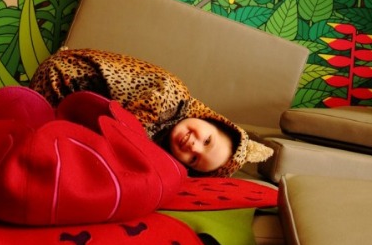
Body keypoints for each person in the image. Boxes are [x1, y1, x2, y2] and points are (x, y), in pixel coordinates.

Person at [29, 47, 275, 177]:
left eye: (194, 160)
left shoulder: (166, 131)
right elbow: (127, 136)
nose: (193, 146)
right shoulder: (172, 98)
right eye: (207, 140)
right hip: (62, 78)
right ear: (210, 120)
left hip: (77, 97)